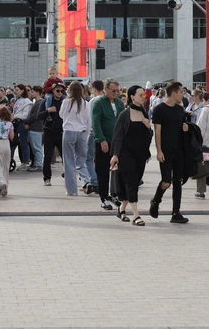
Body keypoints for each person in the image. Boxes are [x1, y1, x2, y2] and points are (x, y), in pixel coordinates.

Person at [110, 85, 152, 226]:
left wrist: (148, 127)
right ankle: (136, 215)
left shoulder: (144, 113)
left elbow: (148, 137)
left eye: (144, 95)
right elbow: (117, 136)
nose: (142, 97)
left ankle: (121, 209)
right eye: (140, 95)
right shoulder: (124, 114)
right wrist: (115, 155)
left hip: (140, 155)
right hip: (126, 153)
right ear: (132, 96)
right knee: (131, 182)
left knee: (134, 182)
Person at [149, 82, 191, 224]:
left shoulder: (180, 110)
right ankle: (156, 200)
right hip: (166, 151)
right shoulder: (159, 109)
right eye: (181, 92)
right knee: (166, 181)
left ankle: (176, 212)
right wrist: (159, 151)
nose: (182, 95)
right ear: (173, 93)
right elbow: (158, 132)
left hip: (179, 151)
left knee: (177, 182)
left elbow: (182, 128)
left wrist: (185, 128)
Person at [91, 79, 125, 210]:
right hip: (104, 142)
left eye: (117, 91)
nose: (116, 93)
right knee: (102, 171)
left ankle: (114, 194)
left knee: (117, 171)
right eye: (113, 90)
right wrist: (101, 140)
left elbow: (123, 120)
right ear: (106, 89)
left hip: (117, 142)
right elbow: (96, 122)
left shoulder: (119, 103)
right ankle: (103, 197)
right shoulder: (99, 103)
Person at [58, 81, 92, 196]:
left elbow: (61, 115)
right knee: (81, 160)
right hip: (82, 132)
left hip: (69, 131)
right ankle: (86, 180)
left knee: (69, 162)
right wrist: (86, 133)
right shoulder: (86, 103)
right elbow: (88, 121)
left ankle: (72, 190)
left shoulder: (66, 102)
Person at [38, 83, 66, 186]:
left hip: (61, 132)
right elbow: (39, 116)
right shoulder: (46, 101)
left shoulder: (64, 102)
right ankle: (47, 178)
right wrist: (48, 111)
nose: (59, 93)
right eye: (57, 91)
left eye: (61, 91)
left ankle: (67, 175)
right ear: (53, 91)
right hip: (49, 132)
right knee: (48, 156)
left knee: (65, 156)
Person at [12, 84, 34, 171]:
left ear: (22, 90)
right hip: (16, 122)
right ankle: (22, 161)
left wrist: (16, 116)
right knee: (16, 142)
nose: (15, 91)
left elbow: (26, 114)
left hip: (22, 123)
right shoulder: (18, 100)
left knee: (24, 142)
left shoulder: (27, 101)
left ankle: (25, 161)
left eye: (17, 90)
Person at [25, 86, 45, 172]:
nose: (31, 93)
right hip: (34, 127)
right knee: (35, 147)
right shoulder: (37, 102)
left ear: (37, 92)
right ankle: (36, 163)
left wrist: (26, 121)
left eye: (32, 91)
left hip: (36, 127)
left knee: (37, 148)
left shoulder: (39, 103)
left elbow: (35, 115)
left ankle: (38, 164)